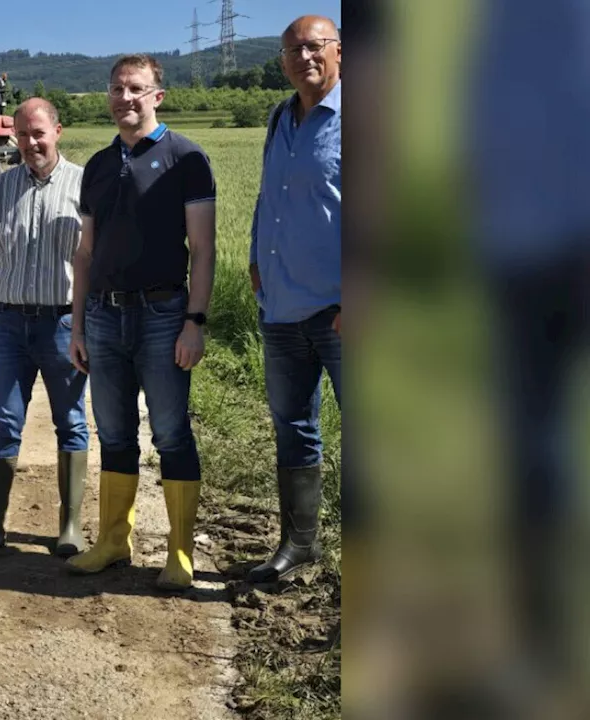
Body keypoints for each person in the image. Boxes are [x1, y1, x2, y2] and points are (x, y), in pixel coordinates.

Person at [66, 54, 217, 592]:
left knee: (171, 432)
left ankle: (179, 552)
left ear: (158, 94)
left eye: (136, 88)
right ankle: (113, 541)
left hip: (163, 315)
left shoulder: (186, 158)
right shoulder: (99, 166)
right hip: (104, 317)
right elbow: (84, 254)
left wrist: (194, 321)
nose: (124, 98)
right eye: (116, 89)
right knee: (113, 432)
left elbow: (202, 248)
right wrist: (79, 326)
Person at [0, 98, 89, 561]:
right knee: (4, 423)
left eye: (39, 133)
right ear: (12, 137)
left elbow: (91, 261)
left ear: (57, 130)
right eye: (22, 135)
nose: (32, 142)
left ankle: (71, 527)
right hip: (11, 325)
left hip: (63, 323)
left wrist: (83, 326)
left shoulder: (84, 186)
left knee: (71, 422)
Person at [245, 16, 342, 583]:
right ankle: (299, 543)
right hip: (281, 309)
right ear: (281, 61)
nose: (304, 56)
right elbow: (268, 193)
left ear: (338, 52)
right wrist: (257, 261)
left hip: (340, 311)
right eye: (292, 49)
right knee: (293, 426)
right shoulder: (281, 117)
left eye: (314, 46)